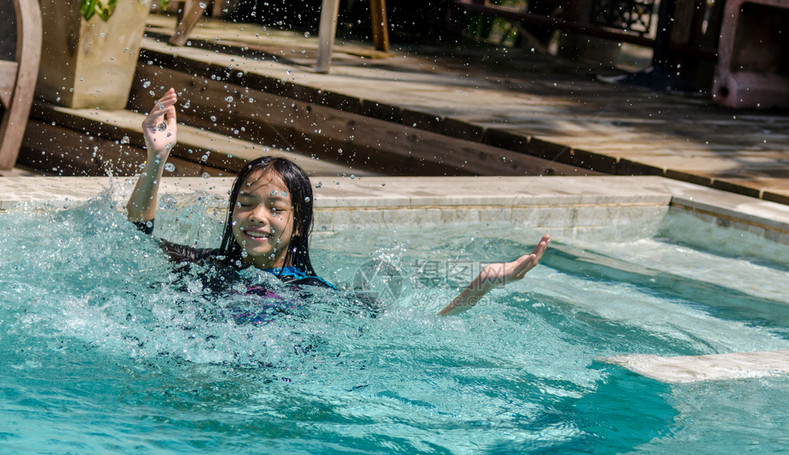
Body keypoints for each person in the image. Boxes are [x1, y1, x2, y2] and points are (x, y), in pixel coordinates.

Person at [126, 89, 550, 315]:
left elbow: (420, 337)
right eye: (246, 203)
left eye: (276, 208)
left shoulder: (319, 295)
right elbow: (130, 238)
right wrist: (157, 159)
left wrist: (481, 286)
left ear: (299, 223)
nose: (256, 217)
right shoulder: (199, 266)